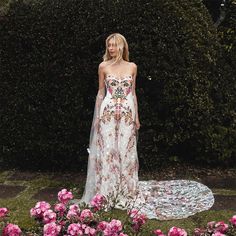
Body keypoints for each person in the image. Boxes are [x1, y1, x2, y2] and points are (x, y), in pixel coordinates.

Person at [79, 33, 214, 220]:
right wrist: (96, 117)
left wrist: (137, 117)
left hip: (127, 114)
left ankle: (126, 191)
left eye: (114, 45)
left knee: (126, 153)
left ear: (122, 47)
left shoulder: (132, 67)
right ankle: (107, 192)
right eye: (108, 45)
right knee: (108, 152)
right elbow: (101, 93)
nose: (110, 49)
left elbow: (132, 94)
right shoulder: (103, 66)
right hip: (107, 114)